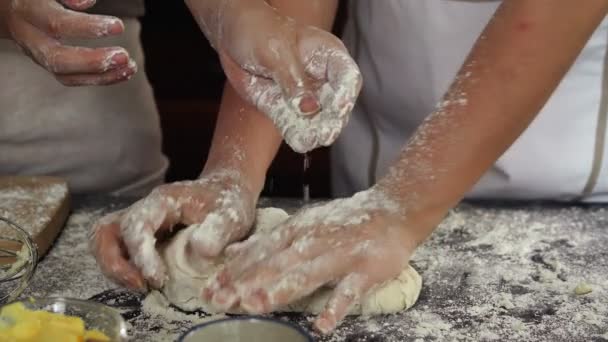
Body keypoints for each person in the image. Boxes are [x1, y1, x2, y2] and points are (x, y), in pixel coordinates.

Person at [92, 0, 608, 335]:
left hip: (565, 188)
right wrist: (233, 174)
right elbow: (283, 24)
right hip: (370, 178)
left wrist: (401, 207)